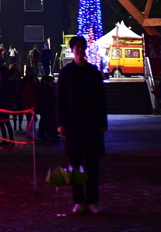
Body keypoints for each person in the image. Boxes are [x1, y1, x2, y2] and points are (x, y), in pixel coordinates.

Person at [57, 34, 108, 213]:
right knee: (76, 165)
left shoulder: (93, 72)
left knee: (92, 165)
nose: (79, 49)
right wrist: (61, 122)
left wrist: (102, 122)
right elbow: (60, 99)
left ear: (84, 49)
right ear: (72, 50)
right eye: (76, 46)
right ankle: (78, 200)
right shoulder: (66, 73)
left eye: (81, 46)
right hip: (73, 125)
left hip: (92, 124)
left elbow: (101, 99)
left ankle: (92, 200)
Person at [0, 61, 15, 145]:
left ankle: (11, 140)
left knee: (6, 123)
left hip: (5, 105)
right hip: (1, 105)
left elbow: (8, 94)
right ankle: (5, 139)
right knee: (2, 123)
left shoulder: (7, 83)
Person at [37, 73, 59, 142]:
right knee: (44, 121)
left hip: (50, 108)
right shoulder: (45, 89)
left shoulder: (50, 89)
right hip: (46, 108)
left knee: (50, 121)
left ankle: (51, 133)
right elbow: (43, 99)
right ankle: (43, 134)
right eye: (52, 81)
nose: (53, 83)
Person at [22, 61, 40, 138]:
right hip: (29, 103)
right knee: (31, 118)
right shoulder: (27, 83)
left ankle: (30, 130)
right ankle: (30, 131)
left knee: (32, 118)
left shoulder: (33, 84)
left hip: (32, 103)